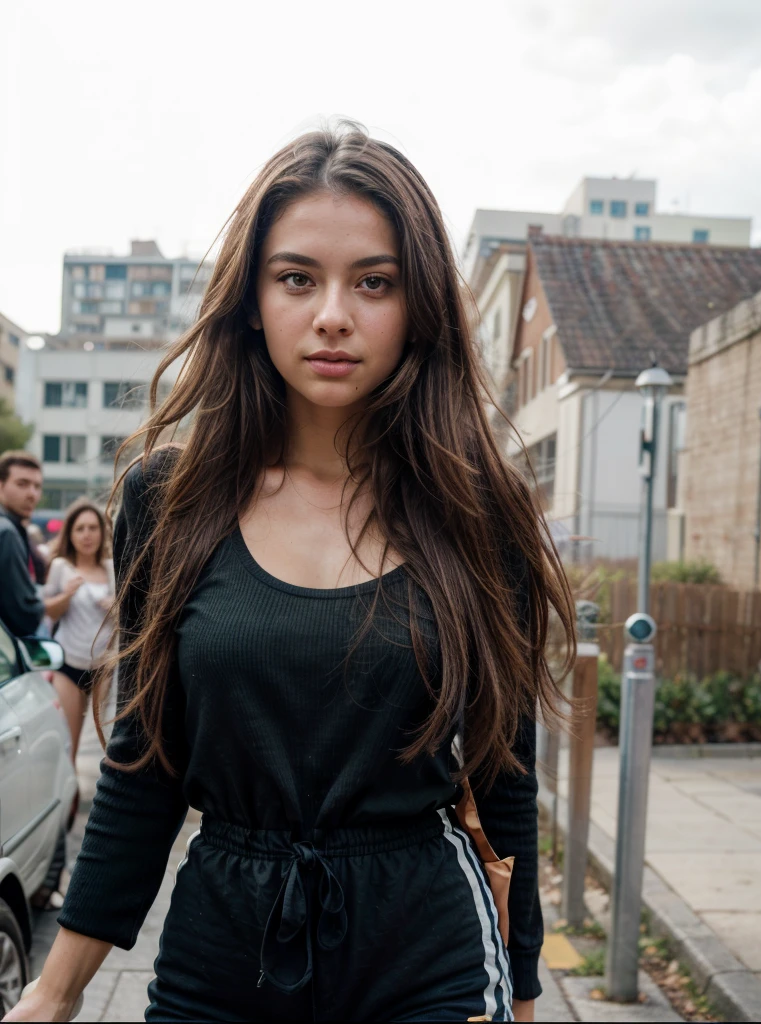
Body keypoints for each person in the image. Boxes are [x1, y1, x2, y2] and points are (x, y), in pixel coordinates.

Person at [5, 125, 575, 1024]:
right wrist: (55, 988)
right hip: (223, 943)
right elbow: (144, 763)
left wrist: (527, 986)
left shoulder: (478, 507)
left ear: (417, 304)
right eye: (297, 278)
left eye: (374, 282)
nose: (333, 314)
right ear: (253, 301)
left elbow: (505, 776)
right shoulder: (169, 498)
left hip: (426, 948)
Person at [43, 500, 115, 761]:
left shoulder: (111, 568)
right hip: (69, 664)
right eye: (80, 529)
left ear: (102, 532)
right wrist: (66, 594)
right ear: (70, 534)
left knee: (105, 742)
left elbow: (129, 617)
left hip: (104, 667)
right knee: (69, 744)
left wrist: (114, 607)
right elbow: (49, 611)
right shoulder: (61, 567)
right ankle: (70, 799)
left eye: (93, 528)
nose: (87, 535)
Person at [0, 451, 45, 637]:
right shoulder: (7, 532)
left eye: (37, 486)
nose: (32, 494)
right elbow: (26, 617)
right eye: (22, 484)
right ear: (1, 485)